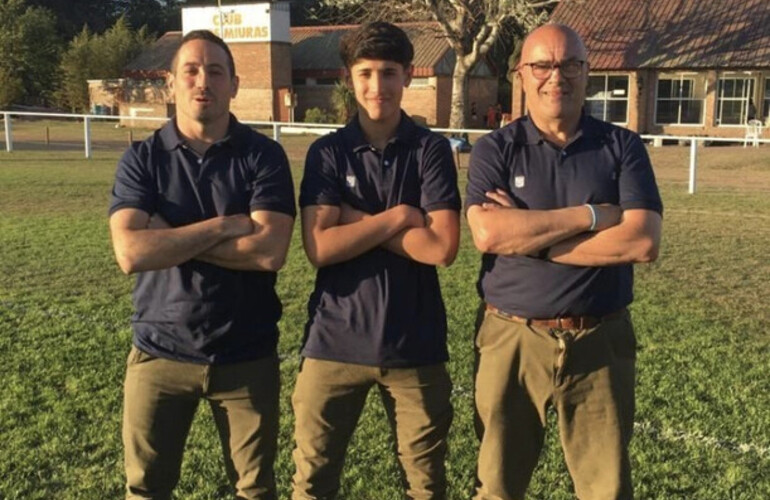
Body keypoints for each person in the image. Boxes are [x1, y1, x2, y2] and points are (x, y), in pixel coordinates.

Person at [466, 24, 663, 500]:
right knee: (497, 486)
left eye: (569, 64)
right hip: (512, 338)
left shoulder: (622, 146)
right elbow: (490, 233)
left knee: (605, 489)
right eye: (542, 65)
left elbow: (640, 243)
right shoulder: (496, 148)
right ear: (521, 74)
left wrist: (529, 235)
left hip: (600, 339)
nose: (556, 76)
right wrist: (592, 216)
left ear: (586, 72)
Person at [108, 30, 295, 499]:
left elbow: (271, 252)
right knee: (146, 488)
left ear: (233, 83)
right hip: (159, 352)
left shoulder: (263, 156)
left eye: (215, 71)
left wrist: (166, 234)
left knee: (255, 489)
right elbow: (131, 253)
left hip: (246, 354)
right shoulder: (142, 159)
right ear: (171, 84)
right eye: (190, 70)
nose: (202, 80)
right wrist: (223, 227)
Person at [291, 21, 461, 500]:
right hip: (332, 342)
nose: (377, 86)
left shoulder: (431, 150)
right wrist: (402, 217)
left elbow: (442, 249)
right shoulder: (327, 152)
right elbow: (319, 247)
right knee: (312, 481)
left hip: (416, 344)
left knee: (426, 485)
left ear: (408, 75)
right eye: (365, 73)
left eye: (388, 72)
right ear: (349, 78)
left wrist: (356, 221)